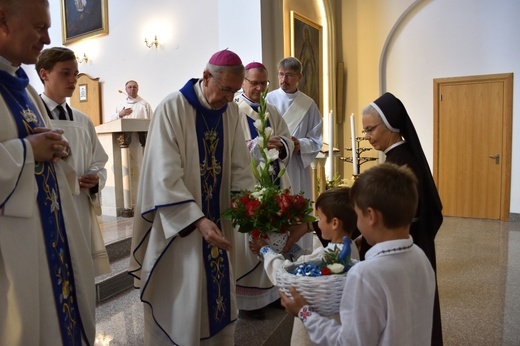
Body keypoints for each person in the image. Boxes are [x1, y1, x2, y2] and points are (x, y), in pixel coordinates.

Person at [129, 49, 256, 345]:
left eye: (235, 92)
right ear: (207, 76)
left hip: (219, 223)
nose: (229, 98)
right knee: (182, 296)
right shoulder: (172, 107)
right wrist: (198, 220)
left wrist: (243, 206)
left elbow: (239, 165)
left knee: (217, 296)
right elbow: (164, 174)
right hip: (181, 229)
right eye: (226, 90)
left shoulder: (232, 112)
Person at [0, 0, 98, 344]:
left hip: (46, 238)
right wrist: (29, 150)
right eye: (40, 27)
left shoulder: (21, 86)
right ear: (2, 20)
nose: (47, 37)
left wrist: (49, 147)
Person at [281, 163, 436, 345]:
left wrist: (304, 313)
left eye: (357, 213)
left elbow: (348, 342)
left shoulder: (365, 273)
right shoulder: (420, 256)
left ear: (371, 216)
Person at [360, 92, 444, 345]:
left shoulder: (400, 163)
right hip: (415, 246)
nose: (367, 137)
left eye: (370, 129)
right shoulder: (402, 156)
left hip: (406, 247)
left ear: (390, 126)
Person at [251, 186, 359, 346]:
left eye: (320, 218)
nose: (318, 223)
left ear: (334, 223)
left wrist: (266, 250)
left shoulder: (331, 257)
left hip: (316, 330)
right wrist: (292, 248)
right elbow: (309, 263)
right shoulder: (350, 247)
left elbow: (285, 274)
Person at [36, 46, 110, 276]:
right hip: (47, 206)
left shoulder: (83, 120)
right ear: (44, 74)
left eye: (75, 74)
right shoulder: (34, 115)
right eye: (65, 73)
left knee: (80, 276)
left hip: (79, 207)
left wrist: (95, 178)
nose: (72, 80)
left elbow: (99, 161)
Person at [233, 61, 295, 314]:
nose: (259, 88)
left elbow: (288, 139)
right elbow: (233, 150)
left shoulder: (272, 110)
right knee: (251, 239)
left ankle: (272, 294)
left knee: (274, 233)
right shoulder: (234, 111)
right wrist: (257, 145)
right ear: (243, 82)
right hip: (249, 184)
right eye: (254, 82)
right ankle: (250, 303)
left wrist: (281, 146)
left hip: (274, 181)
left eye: (263, 83)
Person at [266, 56, 323, 253]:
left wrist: (301, 144)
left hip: (297, 166)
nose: (284, 80)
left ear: (299, 76)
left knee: (296, 206)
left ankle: (299, 252)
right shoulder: (269, 99)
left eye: (289, 75)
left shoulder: (308, 104)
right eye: (281, 74)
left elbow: (316, 139)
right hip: (273, 165)